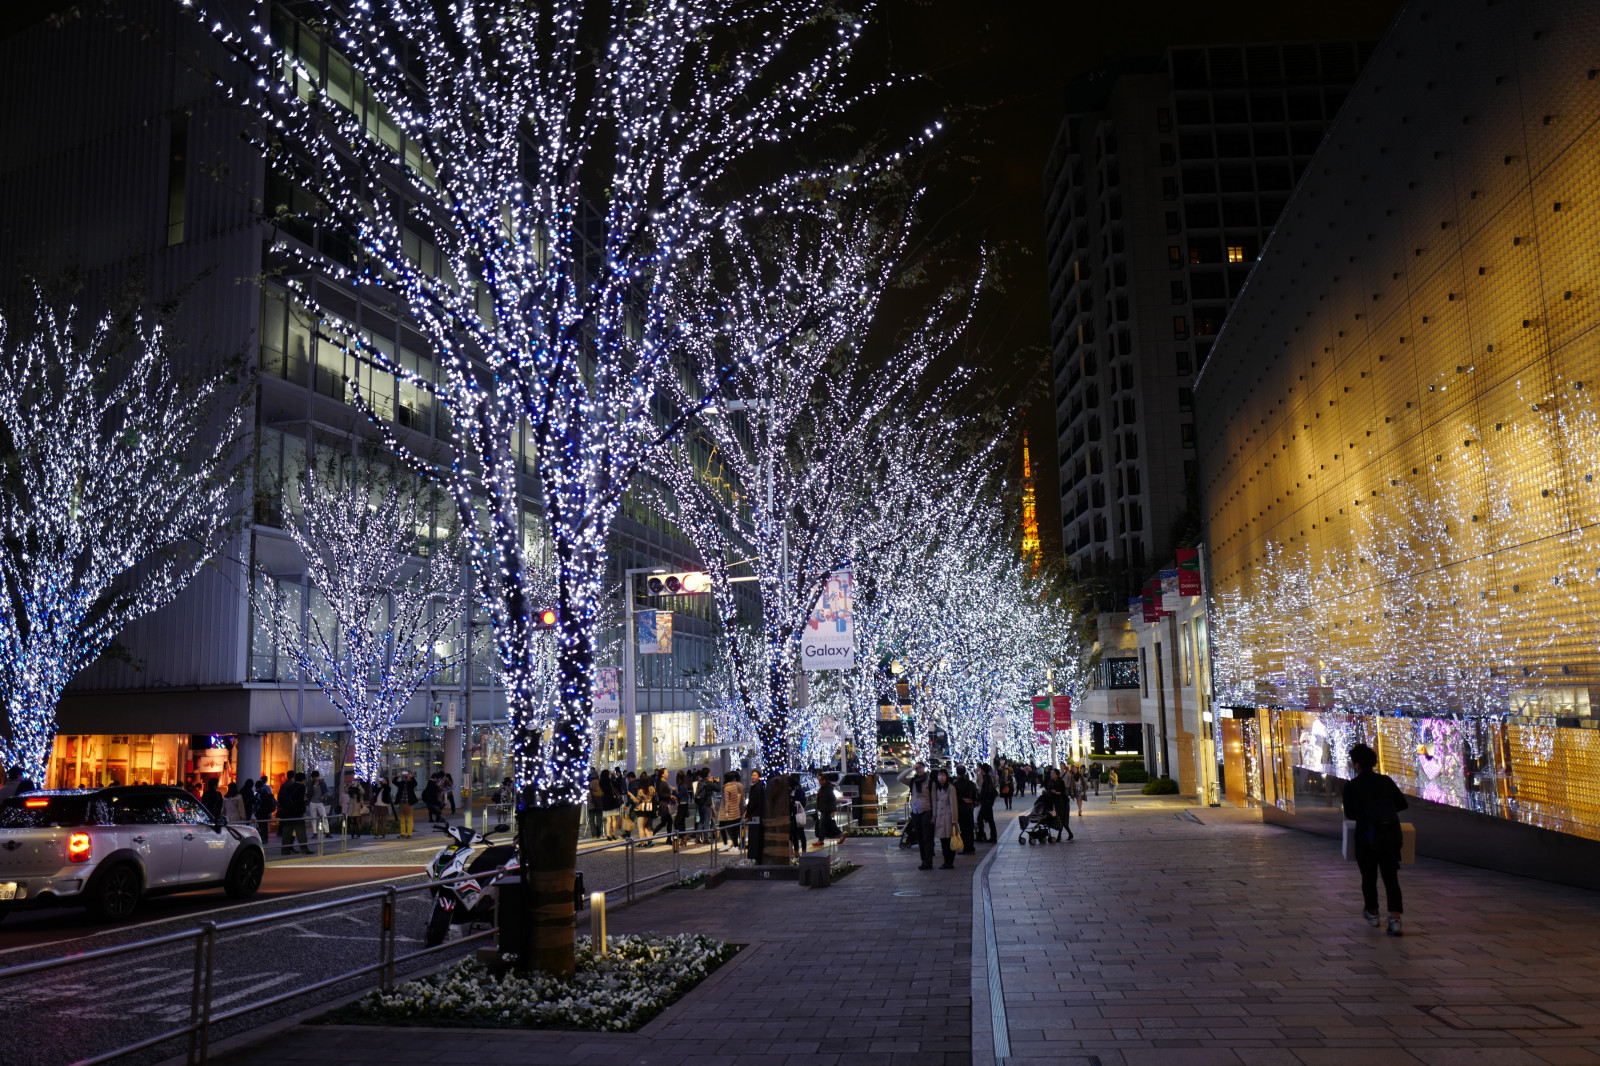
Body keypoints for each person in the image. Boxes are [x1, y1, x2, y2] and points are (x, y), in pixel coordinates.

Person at [1343, 743, 1408, 936]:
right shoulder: (1386, 782)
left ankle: (1372, 912)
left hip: (1365, 837)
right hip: (1389, 836)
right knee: (1391, 878)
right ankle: (1395, 918)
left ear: (1356, 765)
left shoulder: (1352, 786)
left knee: (1369, 877)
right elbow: (1402, 804)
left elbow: (1350, 813)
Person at [897, 761, 936, 870]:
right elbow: (899, 778)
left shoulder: (930, 783)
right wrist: (911, 768)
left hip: (926, 811)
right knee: (919, 837)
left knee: (927, 837)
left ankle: (929, 861)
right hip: (915, 812)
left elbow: (934, 799)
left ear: (924, 768)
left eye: (921, 768)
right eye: (917, 768)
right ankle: (924, 860)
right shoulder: (913, 781)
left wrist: (934, 816)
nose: (919, 770)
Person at [930, 767, 959, 869]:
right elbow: (934, 803)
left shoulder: (951, 788)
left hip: (948, 819)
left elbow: (953, 805)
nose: (941, 778)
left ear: (947, 777)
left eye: (943, 775)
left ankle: (949, 862)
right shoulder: (936, 788)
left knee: (949, 841)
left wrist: (954, 820)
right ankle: (946, 861)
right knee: (943, 842)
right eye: (939, 775)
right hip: (940, 819)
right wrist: (934, 816)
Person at [278, 771, 310, 855]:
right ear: (303, 779)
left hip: (288, 812)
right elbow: (299, 801)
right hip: (297, 812)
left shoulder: (289, 787)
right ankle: (304, 849)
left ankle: (284, 850)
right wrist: (303, 810)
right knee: (301, 832)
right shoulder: (301, 787)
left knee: (287, 832)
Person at [744, 768, 767, 863]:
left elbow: (753, 803)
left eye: (755, 775)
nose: (753, 777)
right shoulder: (758, 787)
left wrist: (747, 812)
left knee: (754, 836)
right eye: (752, 775)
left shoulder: (757, 788)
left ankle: (755, 856)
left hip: (755, 815)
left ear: (759, 777)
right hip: (757, 815)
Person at [954, 765, 977, 855]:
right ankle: (971, 846)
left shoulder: (955, 785)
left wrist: (962, 799)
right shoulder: (971, 784)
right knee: (970, 827)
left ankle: (967, 847)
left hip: (960, 808)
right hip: (969, 808)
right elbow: (975, 796)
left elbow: (954, 797)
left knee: (963, 828)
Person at [1045, 768, 1074, 841]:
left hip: (1062, 803)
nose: (1051, 775)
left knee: (1062, 819)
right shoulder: (1051, 782)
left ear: (1057, 775)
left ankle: (1060, 836)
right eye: (1051, 773)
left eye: (1053, 773)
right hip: (1055, 802)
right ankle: (1069, 834)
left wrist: (1055, 792)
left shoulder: (1060, 782)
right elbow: (1049, 791)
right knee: (1061, 819)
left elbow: (1063, 793)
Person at [719, 770, 745, 847]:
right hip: (739, 808)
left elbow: (728, 800)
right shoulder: (739, 785)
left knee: (729, 827)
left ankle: (734, 843)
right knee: (737, 827)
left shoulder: (730, 786)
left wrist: (727, 811)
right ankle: (740, 843)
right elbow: (742, 797)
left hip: (732, 809)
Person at [392, 769, 418, 839]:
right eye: (406, 775)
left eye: (408, 775)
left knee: (409, 819)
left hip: (409, 803)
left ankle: (409, 834)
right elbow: (394, 781)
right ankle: (402, 834)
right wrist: (397, 776)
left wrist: (412, 777)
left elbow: (415, 784)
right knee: (402, 820)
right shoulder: (401, 783)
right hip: (401, 803)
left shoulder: (411, 783)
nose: (406, 776)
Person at [976, 764, 998, 843]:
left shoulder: (987, 779)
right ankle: (992, 836)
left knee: (980, 819)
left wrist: (979, 799)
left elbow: (985, 792)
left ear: (983, 770)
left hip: (986, 803)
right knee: (989, 820)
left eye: (981, 770)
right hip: (988, 802)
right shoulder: (988, 778)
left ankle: (982, 835)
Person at [815, 773, 839, 846]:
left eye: (820, 781)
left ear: (824, 780)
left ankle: (821, 840)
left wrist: (826, 808)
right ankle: (840, 834)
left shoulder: (827, 788)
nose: (820, 783)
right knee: (829, 824)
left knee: (822, 824)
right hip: (824, 809)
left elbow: (830, 799)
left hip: (826, 809)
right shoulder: (824, 788)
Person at [788, 776, 808, 855]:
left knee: (801, 833)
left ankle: (803, 850)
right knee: (793, 833)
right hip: (792, 815)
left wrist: (796, 803)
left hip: (798, 814)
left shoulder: (799, 790)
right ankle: (796, 850)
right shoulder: (790, 791)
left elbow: (803, 801)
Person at [694, 768, 716, 842]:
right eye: (709, 773)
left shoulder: (699, 782)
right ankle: (706, 838)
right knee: (707, 821)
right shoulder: (708, 783)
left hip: (700, 804)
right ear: (707, 774)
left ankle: (697, 837)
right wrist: (714, 782)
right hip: (707, 804)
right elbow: (715, 790)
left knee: (701, 821)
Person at [307, 770, 329, 839]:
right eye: (314, 777)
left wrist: (323, 796)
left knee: (324, 817)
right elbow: (308, 794)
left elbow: (326, 791)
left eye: (316, 777)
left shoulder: (322, 783)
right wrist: (312, 789)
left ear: (318, 776)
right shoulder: (311, 784)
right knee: (313, 818)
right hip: (312, 802)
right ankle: (314, 832)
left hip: (320, 802)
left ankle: (327, 832)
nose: (315, 778)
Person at [253, 776, 277, 841]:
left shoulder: (256, 792)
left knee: (260, 824)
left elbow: (256, 802)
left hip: (259, 811)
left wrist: (255, 810)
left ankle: (261, 837)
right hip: (266, 810)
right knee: (265, 824)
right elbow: (271, 797)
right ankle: (265, 837)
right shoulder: (266, 790)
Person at [587, 772, 605, 839]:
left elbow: (587, 794)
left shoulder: (589, 784)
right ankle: (598, 833)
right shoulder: (600, 784)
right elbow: (603, 793)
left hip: (591, 804)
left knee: (591, 819)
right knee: (599, 818)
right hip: (599, 803)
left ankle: (594, 834)